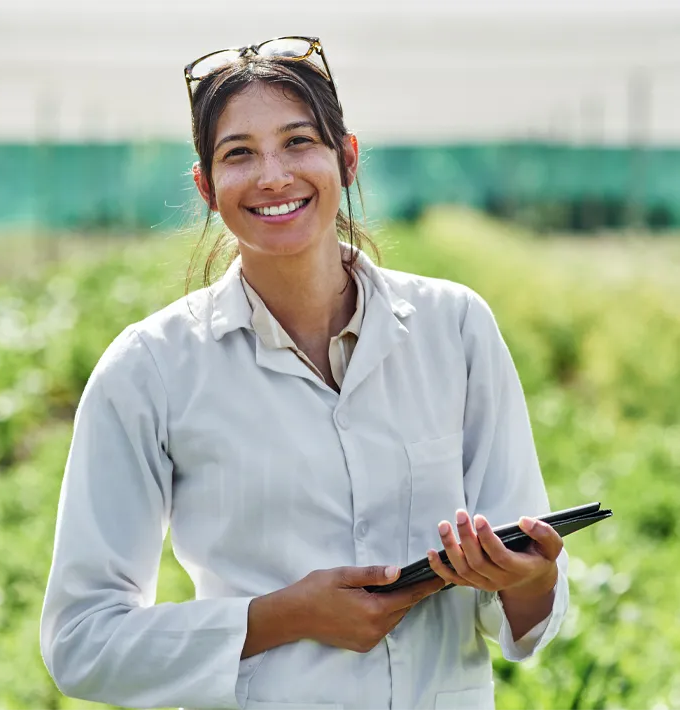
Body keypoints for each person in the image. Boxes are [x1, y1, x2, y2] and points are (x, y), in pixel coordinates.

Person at [39, 36, 569, 710]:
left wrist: (526, 581)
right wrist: (281, 617)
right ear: (206, 186)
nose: (273, 176)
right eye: (239, 154)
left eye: (297, 142)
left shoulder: (455, 327)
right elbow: (82, 644)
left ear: (345, 158)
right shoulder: (150, 370)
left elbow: (524, 614)